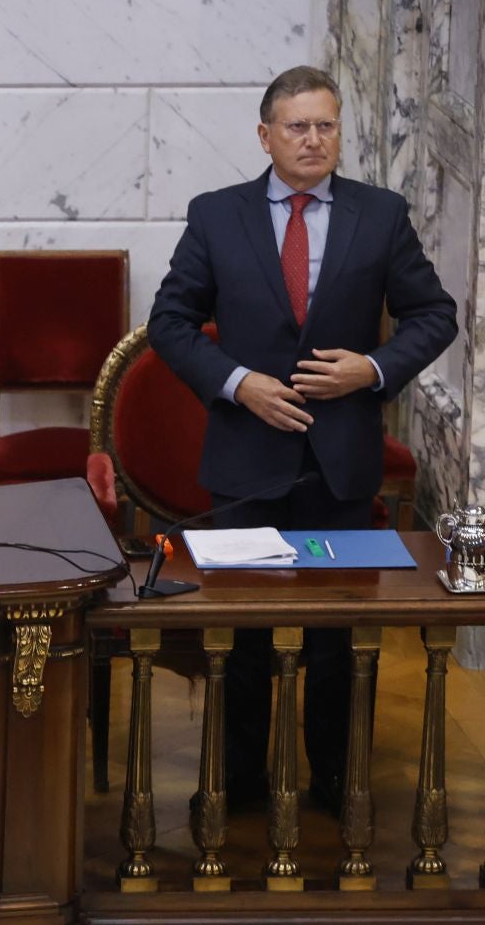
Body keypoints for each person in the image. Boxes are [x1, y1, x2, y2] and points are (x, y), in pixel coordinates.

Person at [149, 65, 456, 812]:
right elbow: (170, 323)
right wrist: (238, 382)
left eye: (326, 125)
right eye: (298, 126)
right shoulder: (217, 216)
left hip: (341, 465)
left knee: (337, 642)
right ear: (266, 135)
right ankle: (237, 783)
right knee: (242, 641)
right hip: (246, 463)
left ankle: (338, 783)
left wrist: (373, 368)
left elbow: (434, 315)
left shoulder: (379, 215)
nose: (314, 139)